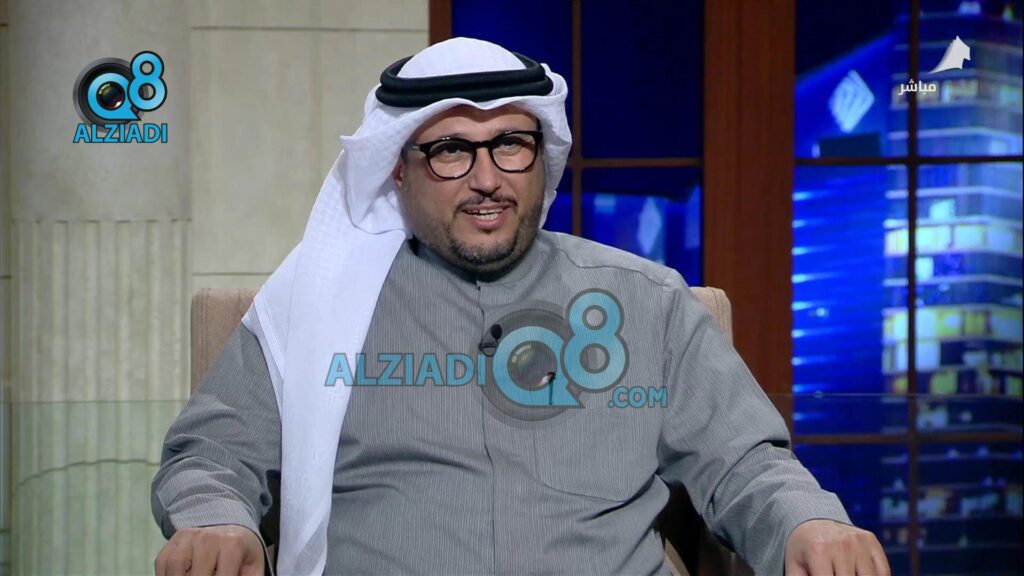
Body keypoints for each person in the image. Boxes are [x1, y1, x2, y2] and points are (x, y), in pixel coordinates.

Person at [152, 38, 890, 576]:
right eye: (451, 150)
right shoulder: (317, 306)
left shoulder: (647, 301)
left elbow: (746, 465)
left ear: (544, 159)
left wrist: (809, 523)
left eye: (510, 144)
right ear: (399, 172)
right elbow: (212, 452)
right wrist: (217, 523)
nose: (487, 179)